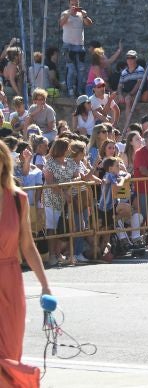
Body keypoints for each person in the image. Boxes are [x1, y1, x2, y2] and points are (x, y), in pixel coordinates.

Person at [2, 132, 54, 365]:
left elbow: (28, 246)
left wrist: (45, 285)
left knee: (11, 353)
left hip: (11, 281)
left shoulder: (17, 199)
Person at [58, 0, 93, 96]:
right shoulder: (65, 13)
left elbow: (89, 24)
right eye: (72, 4)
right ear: (69, 5)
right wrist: (69, 13)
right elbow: (61, 24)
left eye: (76, 4)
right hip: (68, 46)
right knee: (71, 69)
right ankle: (70, 90)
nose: (74, 6)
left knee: (81, 70)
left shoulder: (81, 14)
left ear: (79, 5)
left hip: (79, 45)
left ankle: (79, 90)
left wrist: (85, 15)